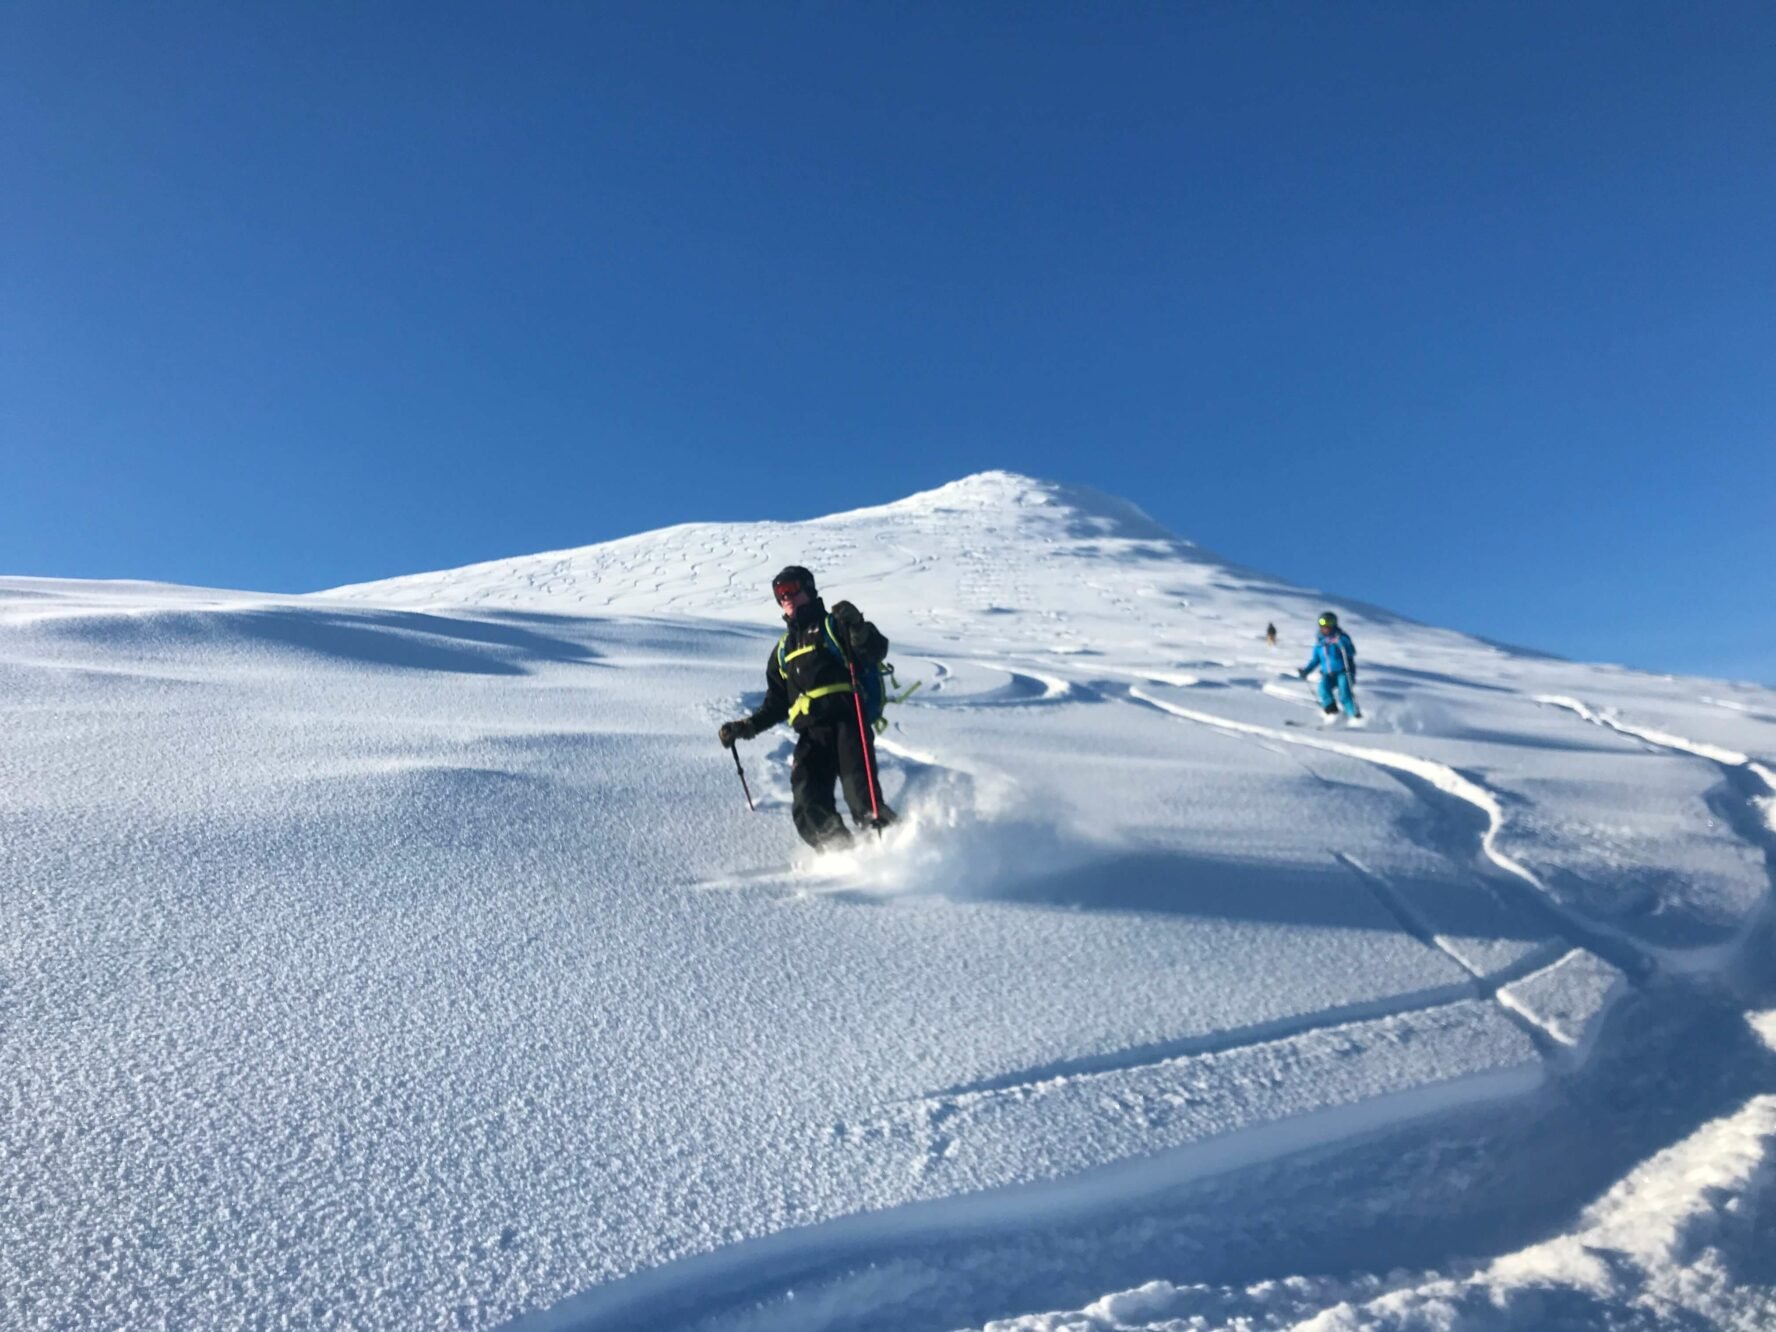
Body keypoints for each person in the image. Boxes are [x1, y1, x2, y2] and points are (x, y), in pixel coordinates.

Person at [719, 566, 897, 849]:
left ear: (809, 588)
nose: (785, 597)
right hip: (811, 735)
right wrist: (746, 727)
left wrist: (857, 625)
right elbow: (777, 703)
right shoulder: (783, 650)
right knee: (807, 803)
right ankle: (842, 853)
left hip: (847, 725)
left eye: (791, 588)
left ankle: (898, 846)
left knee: (862, 799)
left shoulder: (834, 625)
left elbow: (874, 650)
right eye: (779, 593)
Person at [1298, 611, 1360, 719]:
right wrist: (1306, 671)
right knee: (1323, 689)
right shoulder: (1320, 644)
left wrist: (1341, 642)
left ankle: (1354, 716)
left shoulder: (1341, 637)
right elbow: (1315, 660)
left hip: (1343, 672)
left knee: (1345, 694)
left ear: (1334, 624)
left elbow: (1351, 652)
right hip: (1328, 674)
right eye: (1323, 622)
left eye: (1329, 622)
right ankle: (1333, 713)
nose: (1326, 625)